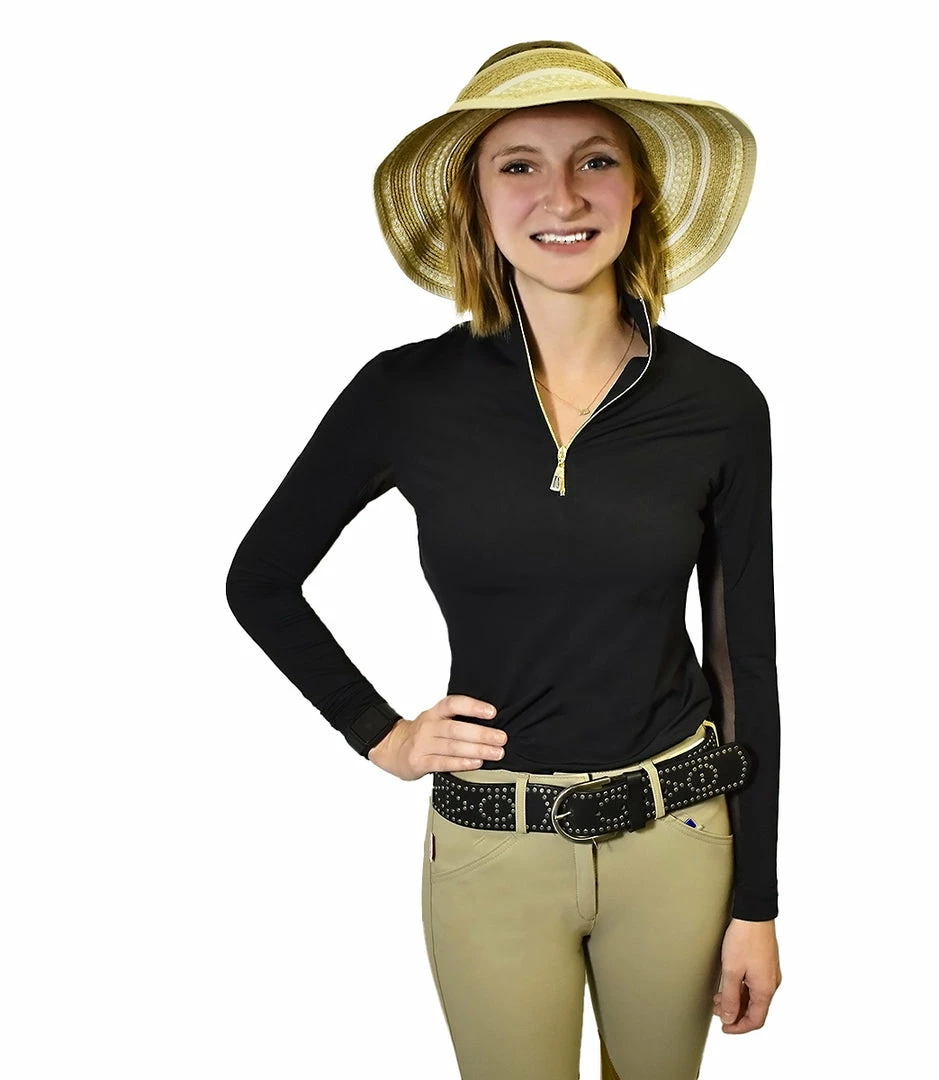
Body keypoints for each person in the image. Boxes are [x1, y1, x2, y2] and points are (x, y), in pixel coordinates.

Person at [226, 39, 782, 1080]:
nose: (561, 195)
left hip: (680, 840)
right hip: (491, 851)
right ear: (477, 200)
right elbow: (260, 579)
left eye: (596, 159)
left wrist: (758, 903)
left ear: (639, 189)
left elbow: (744, 660)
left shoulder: (719, 404)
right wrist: (381, 734)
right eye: (518, 164)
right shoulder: (405, 394)